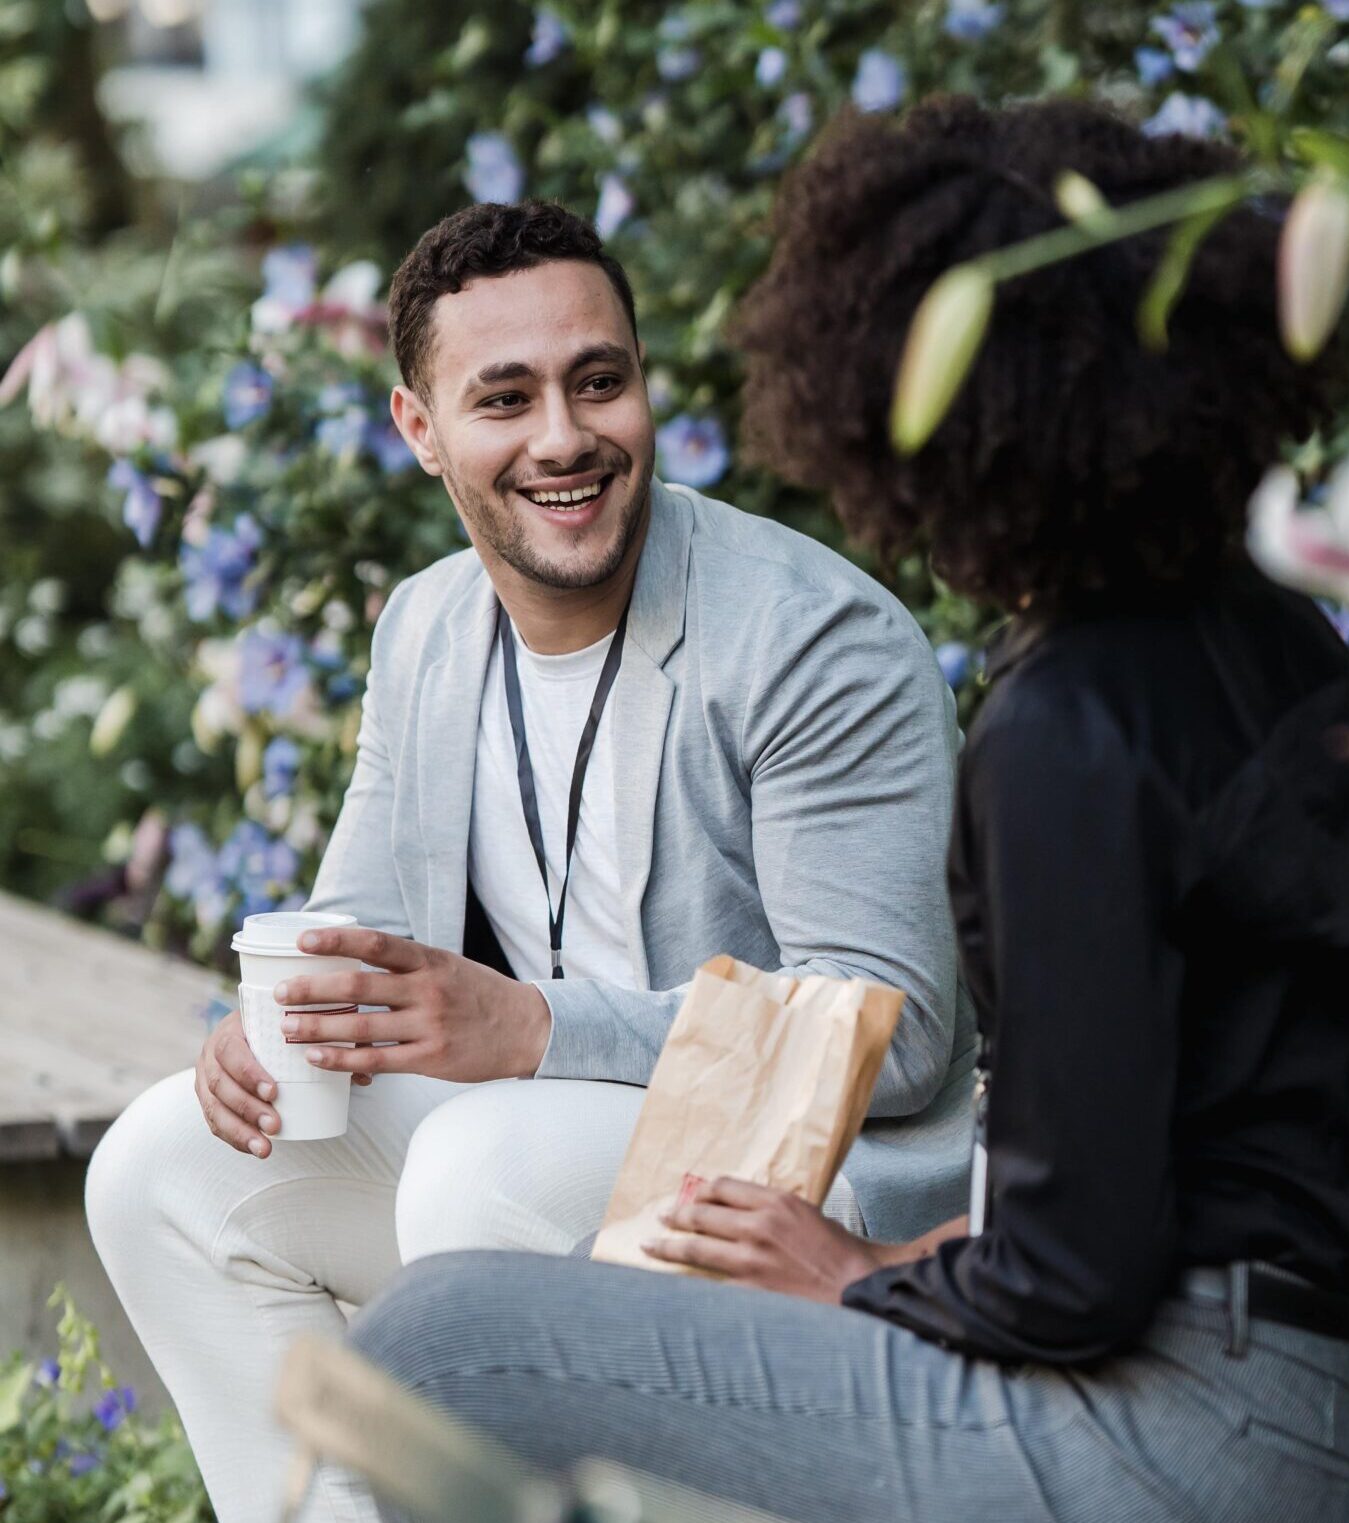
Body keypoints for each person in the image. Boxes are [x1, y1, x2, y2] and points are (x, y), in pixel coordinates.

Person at [346, 97, 1349, 1523]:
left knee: (438, 1350)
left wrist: (865, 1274)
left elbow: (1071, 1277)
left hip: (1198, 1439)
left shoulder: (1068, 730)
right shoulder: (1277, 632)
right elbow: (1167, 1146)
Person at [84, 199, 977, 1523]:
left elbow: (889, 1034)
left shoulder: (812, 639)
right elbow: (360, 924)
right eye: (505, 398)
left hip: (812, 1167)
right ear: (420, 432)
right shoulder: (428, 627)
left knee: (477, 1163)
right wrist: (278, 1030)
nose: (565, 437)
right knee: (162, 1163)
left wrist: (530, 1024)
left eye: (598, 382)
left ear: (643, 390)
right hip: (547, 1134)